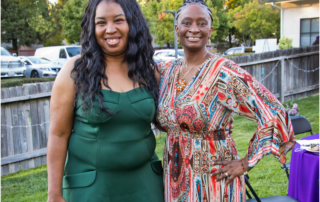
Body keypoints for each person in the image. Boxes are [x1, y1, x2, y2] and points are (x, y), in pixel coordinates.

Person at [157, 0, 296, 201]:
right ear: (176, 28)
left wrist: (245, 163)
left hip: (214, 182)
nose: (194, 29)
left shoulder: (223, 72)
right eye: (187, 23)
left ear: (210, 30)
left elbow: (273, 112)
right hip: (175, 180)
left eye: (201, 23)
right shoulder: (166, 71)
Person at [46, 0, 164, 201]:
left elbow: (168, 121)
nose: (110, 29)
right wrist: (54, 194)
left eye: (119, 20)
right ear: (92, 28)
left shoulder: (149, 71)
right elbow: (58, 135)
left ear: (133, 24)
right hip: (91, 187)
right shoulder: (74, 71)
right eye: (101, 23)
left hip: (145, 184)